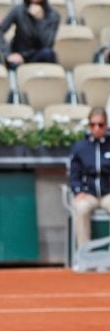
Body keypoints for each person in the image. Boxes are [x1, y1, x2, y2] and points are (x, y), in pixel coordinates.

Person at [68, 107, 110, 255]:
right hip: (88, 193)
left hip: (107, 194)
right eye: (93, 125)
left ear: (106, 125)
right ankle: (84, 255)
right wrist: (78, 190)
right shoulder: (80, 147)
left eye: (100, 124)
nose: (97, 128)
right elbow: (74, 174)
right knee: (81, 208)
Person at [0, 0, 59, 69]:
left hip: (39, 54)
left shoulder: (53, 15)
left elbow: (47, 44)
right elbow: (0, 30)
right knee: (12, 63)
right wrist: (7, 53)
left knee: (49, 54)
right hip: (18, 54)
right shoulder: (18, 10)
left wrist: (40, 20)